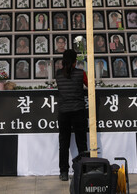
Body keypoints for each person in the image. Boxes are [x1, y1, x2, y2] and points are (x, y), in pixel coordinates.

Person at [55, 49, 88, 181]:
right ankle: (84, 169)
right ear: (75, 61)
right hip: (78, 111)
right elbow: (90, 86)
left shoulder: (58, 74)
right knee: (82, 142)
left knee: (64, 143)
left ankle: (63, 172)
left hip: (63, 112)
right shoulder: (81, 73)